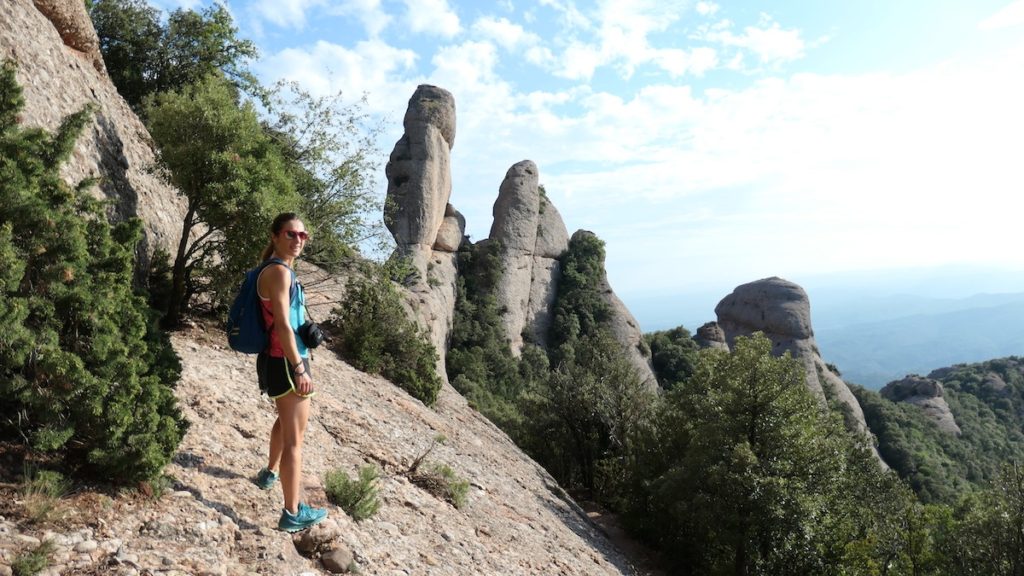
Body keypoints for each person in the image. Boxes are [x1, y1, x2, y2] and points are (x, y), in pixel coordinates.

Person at [252, 212, 328, 533]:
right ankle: (292, 512)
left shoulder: (277, 269)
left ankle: (269, 472)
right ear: (275, 236)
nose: (298, 240)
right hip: (287, 360)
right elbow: (282, 324)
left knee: (284, 423)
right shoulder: (279, 273)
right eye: (290, 234)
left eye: (302, 235)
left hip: (278, 358)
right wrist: (299, 367)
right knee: (295, 440)